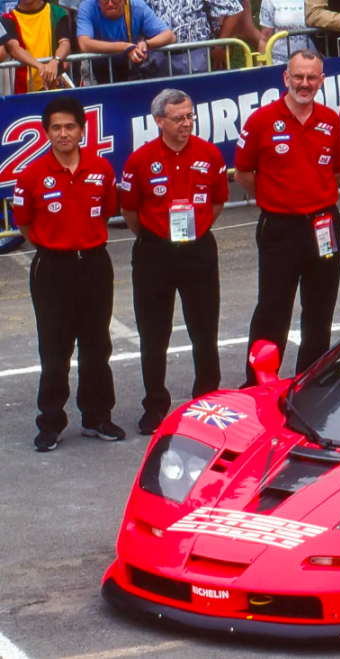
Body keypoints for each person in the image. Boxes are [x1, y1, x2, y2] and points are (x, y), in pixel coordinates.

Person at [12, 97, 125, 452]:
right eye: (56, 127)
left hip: (93, 264)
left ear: (82, 130)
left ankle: (96, 417)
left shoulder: (101, 168)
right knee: (55, 348)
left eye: (70, 127)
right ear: (46, 132)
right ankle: (51, 423)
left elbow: (106, 212)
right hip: (52, 268)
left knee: (96, 344)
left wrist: (81, 243)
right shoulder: (31, 174)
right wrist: (56, 246)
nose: (64, 133)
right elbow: (26, 224)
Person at [236, 49, 340, 385]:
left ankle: (310, 380)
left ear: (321, 80)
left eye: (312, 77)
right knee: (273, 309)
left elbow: (339, 172)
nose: (304, 83)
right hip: (280, 226)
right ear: (286, 78)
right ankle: (258, 380)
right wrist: (276, 198)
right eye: (298, 76)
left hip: (323, 225)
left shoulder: (331, 121)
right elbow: (243, 172)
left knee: (320, 308)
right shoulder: (261, 120)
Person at [121, 89, 229, 434]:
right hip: (155, 252)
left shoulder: (210, 154)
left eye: (190, 116)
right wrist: (156, 236)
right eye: (179, 118)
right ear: (159, 121)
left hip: (198, 249)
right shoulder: (140, 160)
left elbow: (217, 201)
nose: (187, 123)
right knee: (154, 334)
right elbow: (130, 211)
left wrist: (196, 230)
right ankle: (155, 405)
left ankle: (207, 397)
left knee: (204, 330)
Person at [76, 0, 175, 84]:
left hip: (128, 66)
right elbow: (84, 44)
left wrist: (146, 44)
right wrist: (124, 47)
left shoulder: (138, 6)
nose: (110, 3)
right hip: (96, 68)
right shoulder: (87, 6)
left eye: (115, 0)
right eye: (105, 0)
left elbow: (170, 36)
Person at [143, 0, 247, 74]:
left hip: (198, 55)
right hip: (161, 57)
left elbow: (234, 10)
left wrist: (220, 45)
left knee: (203, 97)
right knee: (164, 101)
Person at [1, 0, 72, 93]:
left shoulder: (57, 13)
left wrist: (55, 61)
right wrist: (40, 67)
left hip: (54, 85)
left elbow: (65, 43)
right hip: (23, 89)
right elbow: (14, 49)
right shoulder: (8, 18)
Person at [259, 0, 315, 65]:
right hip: (280, 62)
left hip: (311, 60)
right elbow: (265, 38)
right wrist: (260, 67)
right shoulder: (269, 1)